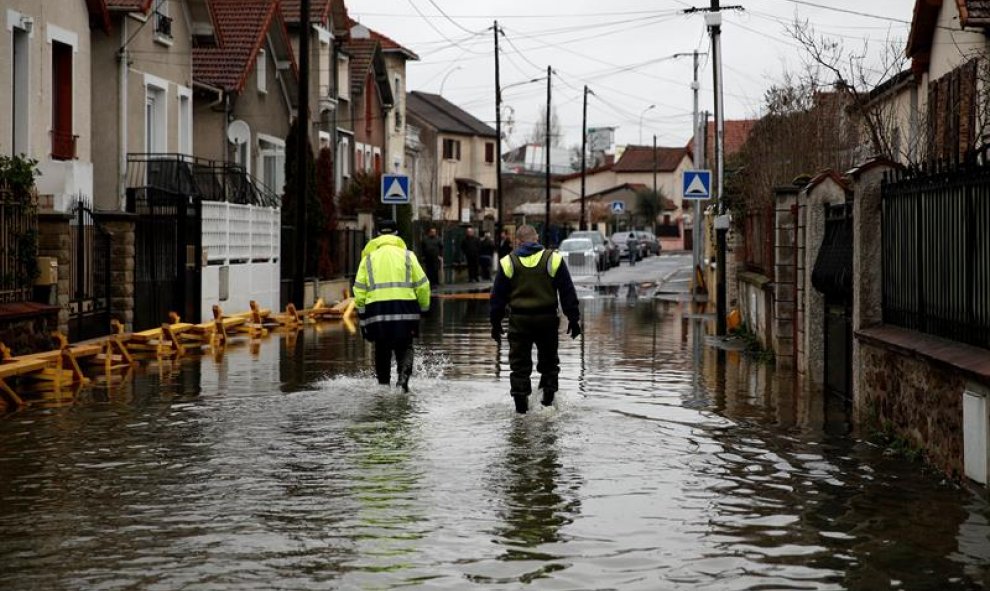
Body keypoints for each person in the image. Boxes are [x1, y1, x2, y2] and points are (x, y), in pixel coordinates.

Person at [489, 224, 581, 414]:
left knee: (519, 366)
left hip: (519, 321)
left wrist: (495, 323)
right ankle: (547, 405)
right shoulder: (553, 259)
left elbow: (497, 298)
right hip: (546, 320)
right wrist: (573, 319)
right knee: (549, 364)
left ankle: (521, 410)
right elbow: (567, 292)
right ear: (536, 239)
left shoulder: (508, 262)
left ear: (518, 241)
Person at [353, 219, 431, 392]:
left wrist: (362, 315)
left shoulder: (368, 259)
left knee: (382, 348)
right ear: (397, 235)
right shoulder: (408, 255)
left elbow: (359, 290)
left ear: (378, 235)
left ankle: (383, 386)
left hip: (377, 312)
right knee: (405, 346)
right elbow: (423, 284)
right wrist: (424, 308)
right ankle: (403, 381)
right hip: (406, 310)